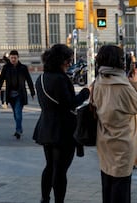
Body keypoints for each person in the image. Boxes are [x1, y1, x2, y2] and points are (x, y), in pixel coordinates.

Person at [33, 44, 90, 203]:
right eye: (68, 60)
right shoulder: (60, 79)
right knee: (60, 170)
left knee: (49, 166)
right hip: (62, 130)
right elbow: (70, 103)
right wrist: (85, 93)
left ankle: (45, 199)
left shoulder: (41, 78)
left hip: (46, 127)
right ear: (61, 60)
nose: (69, 63)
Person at [93, 45, 137, 203]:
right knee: (122, 186)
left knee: (107, 181)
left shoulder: (98, 81)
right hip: (123, 142)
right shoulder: (123, 86)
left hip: (104, 138)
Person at [0, 50, 35, 139]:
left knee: (18, 112)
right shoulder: (6, 67)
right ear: (9, 58)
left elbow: (29, 80)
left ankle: (18, 130)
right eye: (11, 58)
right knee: (15, 113)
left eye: (15, 58)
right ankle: (19, 128)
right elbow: (1, 79)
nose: (13, 59)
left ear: (18, 58)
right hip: (10, 94)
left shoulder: (23, 68)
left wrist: (32, 92)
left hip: (20, 94)